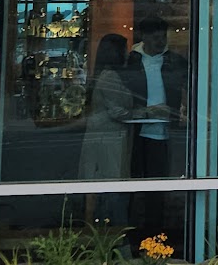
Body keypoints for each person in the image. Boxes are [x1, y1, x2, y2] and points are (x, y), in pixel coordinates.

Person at [123, 15, 188, 176]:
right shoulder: (131, 62)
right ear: (144, 37)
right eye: (156, 38)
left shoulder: (176, 62)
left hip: (170, 130)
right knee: (137, 177)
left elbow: (189, 88)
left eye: (163, 37)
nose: (161, 42)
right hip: (136, 130)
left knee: (166, 176)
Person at [79, 33, 133, 185]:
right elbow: (118, 111)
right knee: (111, 181)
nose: (128, 54)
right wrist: (143, 113)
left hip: (105, 135)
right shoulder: (110, 76)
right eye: (125, 49)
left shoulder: (103, 74)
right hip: (109, 138)